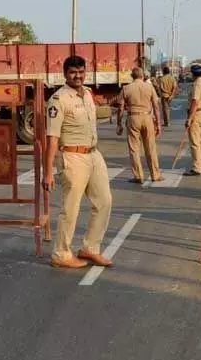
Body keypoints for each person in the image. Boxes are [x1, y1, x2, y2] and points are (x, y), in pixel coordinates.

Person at [43, 55, 113, 269]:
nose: (78, 76)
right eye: (73, 72)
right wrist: (47, 172)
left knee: (104, 201)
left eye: (81, 72)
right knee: (70, 209)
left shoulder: (88, 94)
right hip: (72, 157)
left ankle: (90, 248)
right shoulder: (58, 100)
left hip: (93, 155)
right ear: (65, 74)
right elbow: (52, 138)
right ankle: (61, 253)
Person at [115, 67, 163, 183]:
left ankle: (138, 176)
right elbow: (156, 107)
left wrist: (119, 124)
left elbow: (120, 108)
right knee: (150, 147)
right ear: (143, 76)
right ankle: (155, 175)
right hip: (147, 117)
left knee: (134, 148)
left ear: (132, 76)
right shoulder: (150, 87)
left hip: (133, 117)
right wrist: (159, 124)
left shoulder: (126, 88)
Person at [184, 64, 201, 176]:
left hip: (196, 114)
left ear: (192, 73)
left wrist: (189, 118)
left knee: (195, 142)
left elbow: (194, 102)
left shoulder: (197, 85)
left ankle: (197, 168)